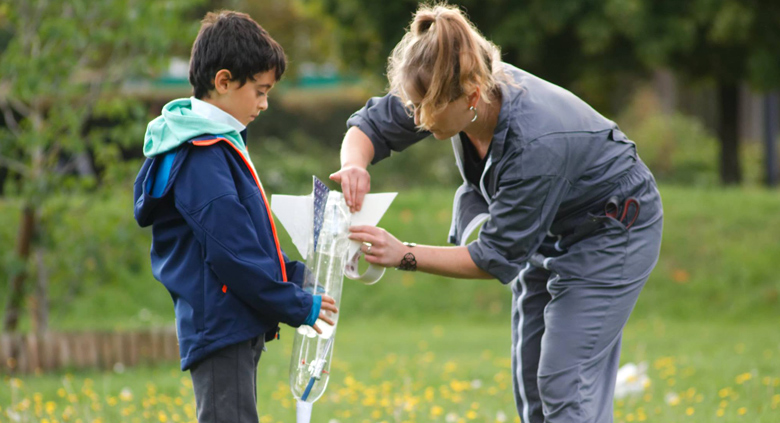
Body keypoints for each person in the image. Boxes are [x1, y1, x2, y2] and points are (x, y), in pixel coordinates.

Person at [330, 4, 662, 423]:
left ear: (471, 97)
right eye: (413, 105)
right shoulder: (441, 80)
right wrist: (356, 163)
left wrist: (404, 253)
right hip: (551, 225)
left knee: (564, 380)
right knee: (531, 378)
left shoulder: (534, 143)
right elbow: (370, 127)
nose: (416, 118)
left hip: (614, 228)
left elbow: (495, 258)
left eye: (424, 108)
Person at [133, 11, 337, 423]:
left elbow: (245, 241)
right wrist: (296, 304)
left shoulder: (217, 146)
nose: (264, 104)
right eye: (260, 91)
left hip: (231, 320)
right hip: (220, 325)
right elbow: (233, 254)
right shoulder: (202, 155)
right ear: (224, 82)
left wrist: (298, 275)